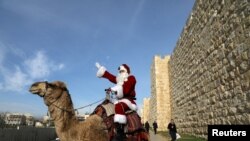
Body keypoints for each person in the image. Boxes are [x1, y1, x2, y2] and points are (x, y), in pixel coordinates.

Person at [95, 62, 137, 141]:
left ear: (127, 72)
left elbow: (126, 89)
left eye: (122, 71)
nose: (120, 73)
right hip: (117, 98)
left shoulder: (131, 78)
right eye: (120, 72)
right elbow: (110, 77)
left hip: (128, 100)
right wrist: (103, 71)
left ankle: (120, 131)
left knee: (119, 106)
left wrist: (114, 90)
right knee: (105, 106)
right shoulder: (119, 80)